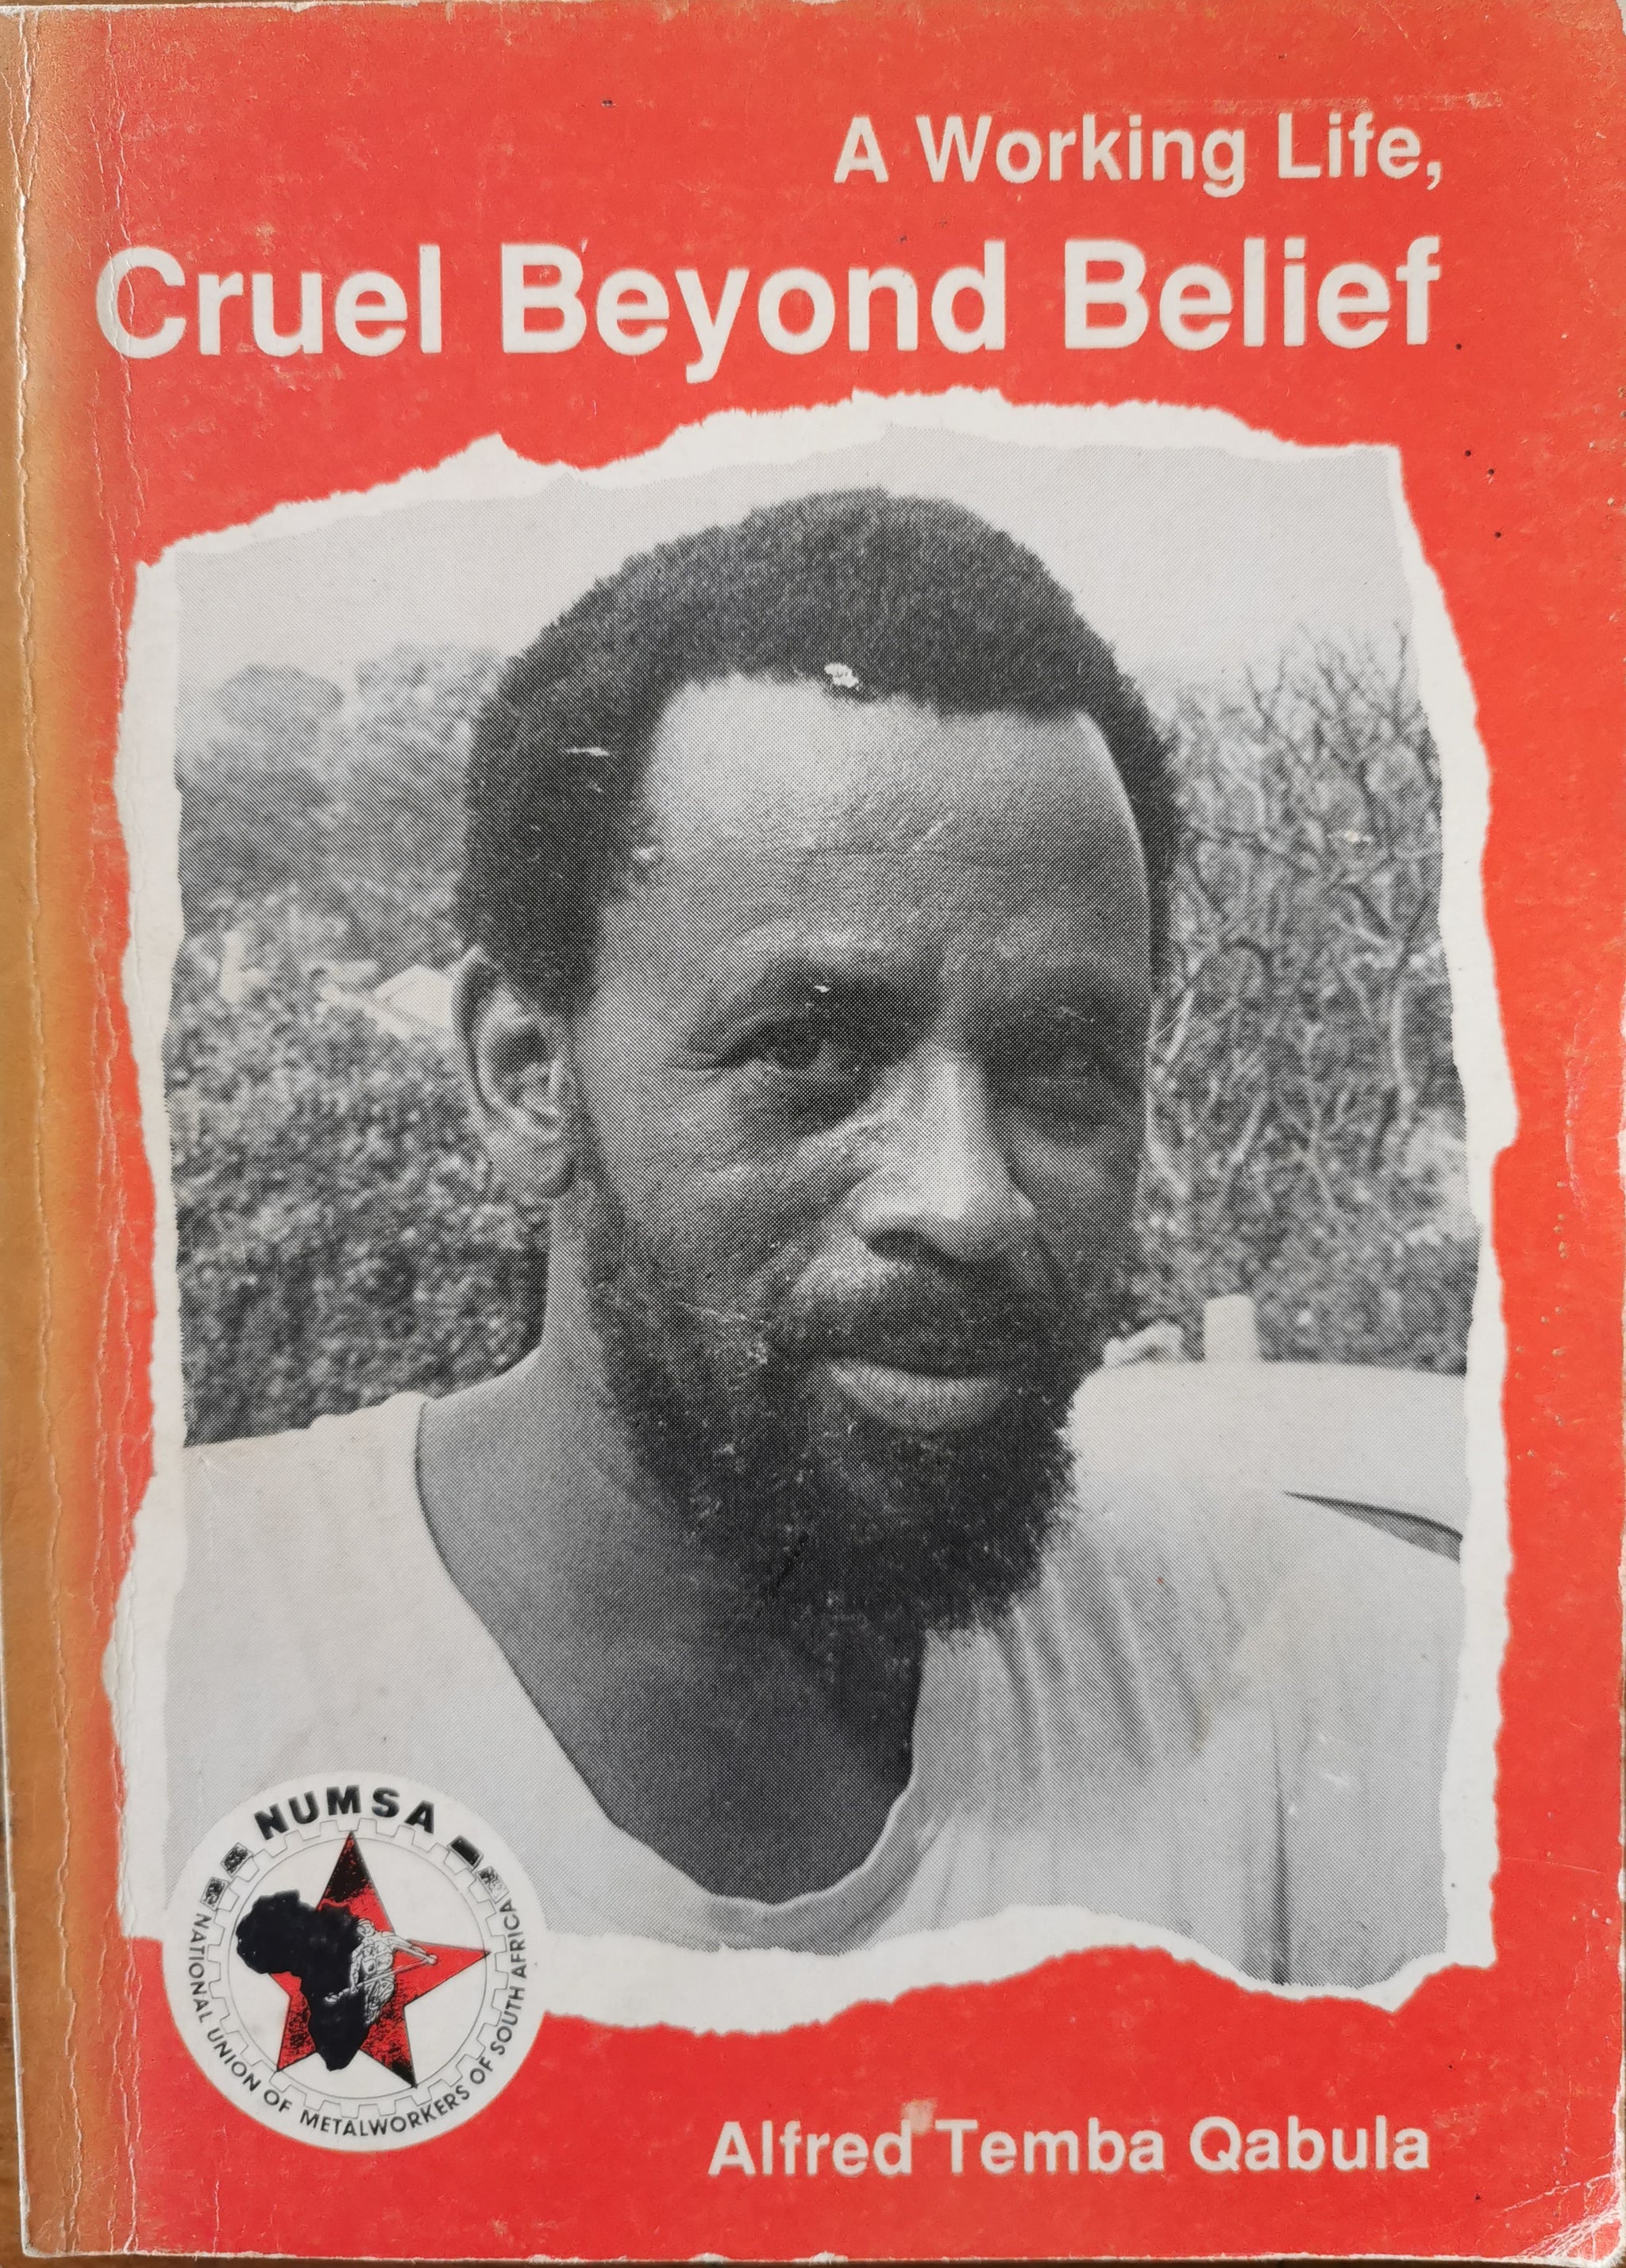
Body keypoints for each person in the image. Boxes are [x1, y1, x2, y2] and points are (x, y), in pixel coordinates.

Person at [159, 490, 1461, 1987]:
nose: (965, 1198)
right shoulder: (150, 1680)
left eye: (1062, 1063)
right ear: (526, 1072)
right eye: (807, 1048)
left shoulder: (1333, 1691)